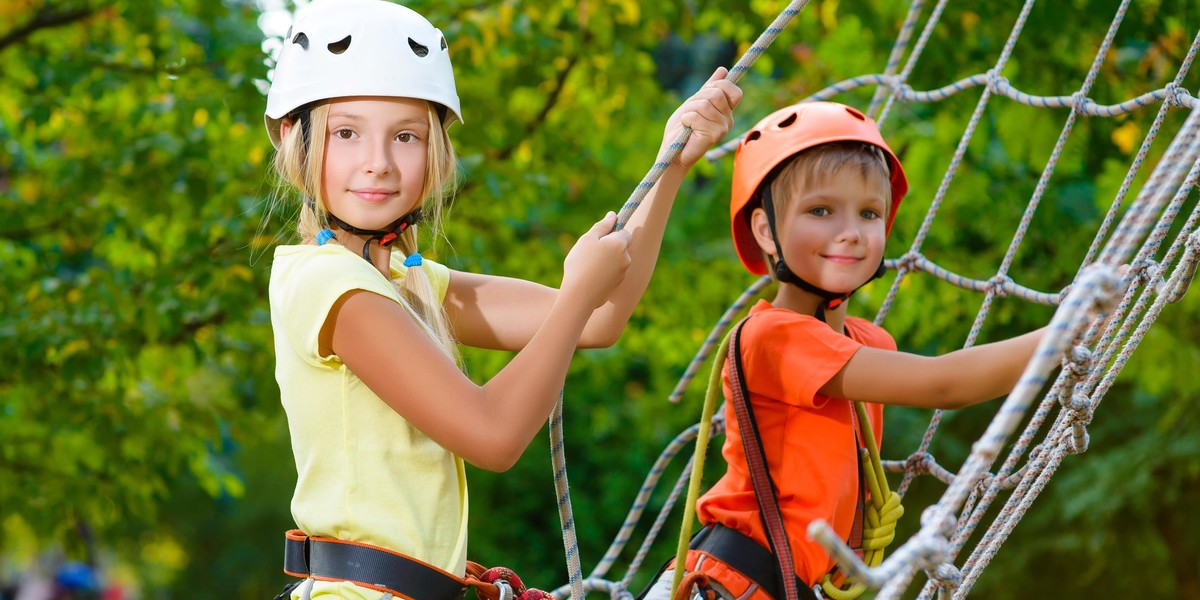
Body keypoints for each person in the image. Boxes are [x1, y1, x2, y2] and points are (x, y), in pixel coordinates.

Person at [262, 1, 741, 598]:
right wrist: (576, 295)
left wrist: (671, 163)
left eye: (405, 136)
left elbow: (600, 318)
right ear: (294, 137)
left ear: (434, 148)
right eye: (347, 133)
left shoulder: (412, 285)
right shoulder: (331, 287)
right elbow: (493, 435)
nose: (378, 163)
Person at [641, 101, 1046, 600]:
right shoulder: (771, 337)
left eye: (869, 213)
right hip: (730, 584)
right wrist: (1068, 332)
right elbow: (945, 384)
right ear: (765, 230)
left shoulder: (869, 343)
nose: (850, 231)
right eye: (820, 211)